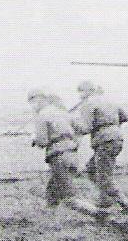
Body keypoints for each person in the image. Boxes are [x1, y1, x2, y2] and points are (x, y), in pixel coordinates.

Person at [28, 88, 108, 221]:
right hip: (73, 155)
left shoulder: (42, 116)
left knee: (69, 197)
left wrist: (34, 139)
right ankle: (48, 221)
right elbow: (82, 129)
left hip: (58, 157)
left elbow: (42, 142)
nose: (32, 106)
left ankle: (100, 214)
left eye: (32, 102)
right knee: (52, 191)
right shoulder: (63, 113)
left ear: (38, 100)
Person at [71, 81, 128, 216]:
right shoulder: (109, 101)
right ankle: (105, 199)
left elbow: (85, 128)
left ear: (87, 92)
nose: (80, 96)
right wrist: (111, 125)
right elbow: (125, 117)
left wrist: (72, 123)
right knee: (91, 169)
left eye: (81, 92)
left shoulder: (88, 104)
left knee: (105, 178)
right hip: (117, 139)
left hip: (104, 142)